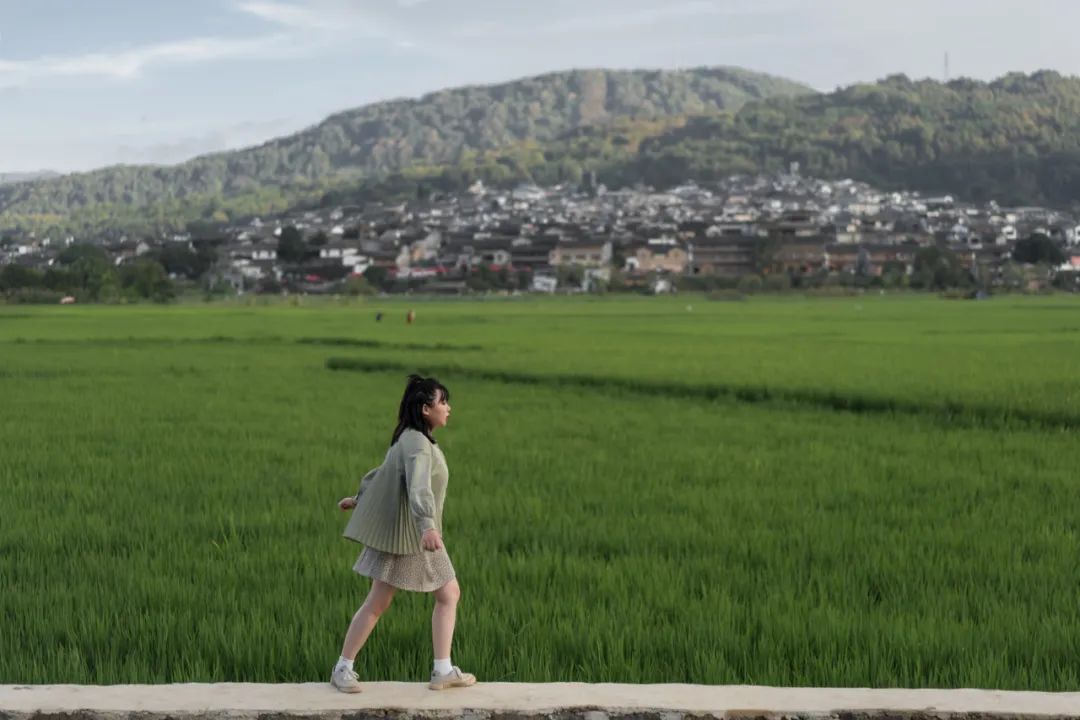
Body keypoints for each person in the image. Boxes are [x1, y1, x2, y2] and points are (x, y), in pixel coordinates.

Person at [331, 374, 476, 693]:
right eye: (443, 402)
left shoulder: (412, 439)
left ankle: (438, 669)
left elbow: (384, 475)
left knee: (391, 600)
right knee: (440, 595)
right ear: (426, 409)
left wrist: (359, 498)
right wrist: (427, 526)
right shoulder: (417, 444)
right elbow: (418, 486)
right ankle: (347, 668)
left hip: (408, 535)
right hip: (414, 537)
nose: (448, 408)